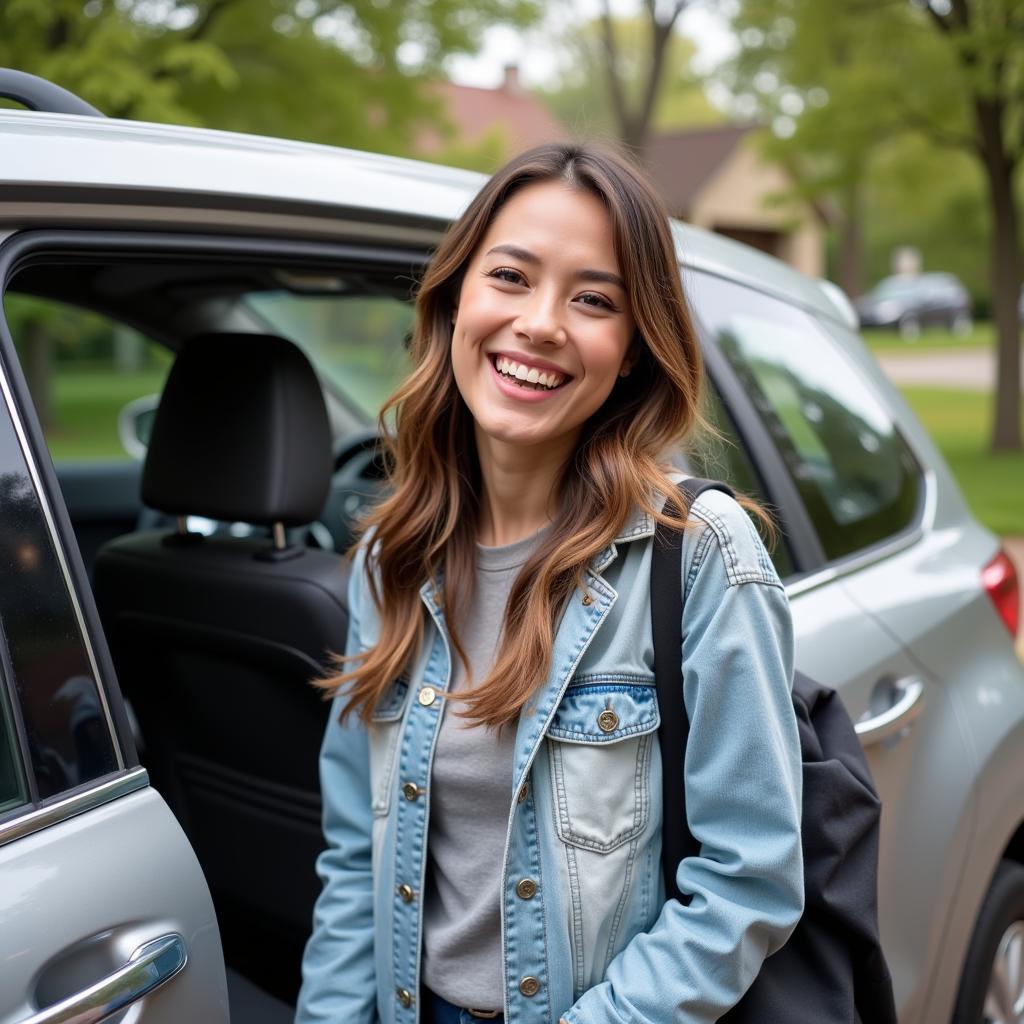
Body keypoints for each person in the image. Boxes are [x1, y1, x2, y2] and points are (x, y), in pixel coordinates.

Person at [295, 142, 803, 1024]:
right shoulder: (388, 558)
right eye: (511, 277)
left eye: (594, 299)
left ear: (635, 349)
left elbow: (747, 882)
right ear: (457, 300)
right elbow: (354, 860)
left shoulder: (700, 553)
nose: (541, 323)